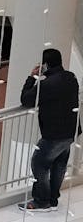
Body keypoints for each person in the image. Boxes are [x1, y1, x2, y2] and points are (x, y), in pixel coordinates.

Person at [19, 48, 80, 212]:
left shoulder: (46, 85)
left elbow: (26, 99)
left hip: (54, 134)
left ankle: (42, 200)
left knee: (39, 163)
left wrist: (32, 77)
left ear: (45, 65)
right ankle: (53, 199)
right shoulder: (71, 78)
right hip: (70, 131)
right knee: (59, 164)